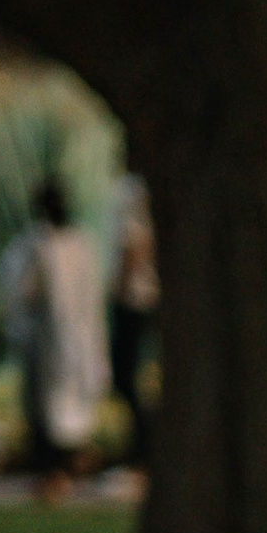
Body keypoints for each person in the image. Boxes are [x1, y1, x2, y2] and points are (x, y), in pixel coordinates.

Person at [0, 175, 109, 499]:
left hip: (51, 337)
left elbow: (22, 288)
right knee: (61, 405)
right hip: (71, 335)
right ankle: (62, 467)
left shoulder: (39, 244)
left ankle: (56, 471)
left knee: (50, 407)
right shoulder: (81, 244)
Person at [108, 171, 160, 472]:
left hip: (134, 302)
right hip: (143, 299)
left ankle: (143, 448)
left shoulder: (131, 190)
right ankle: (142, 446)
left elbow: (134, 245)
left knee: (126, 375)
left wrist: (118, 292)